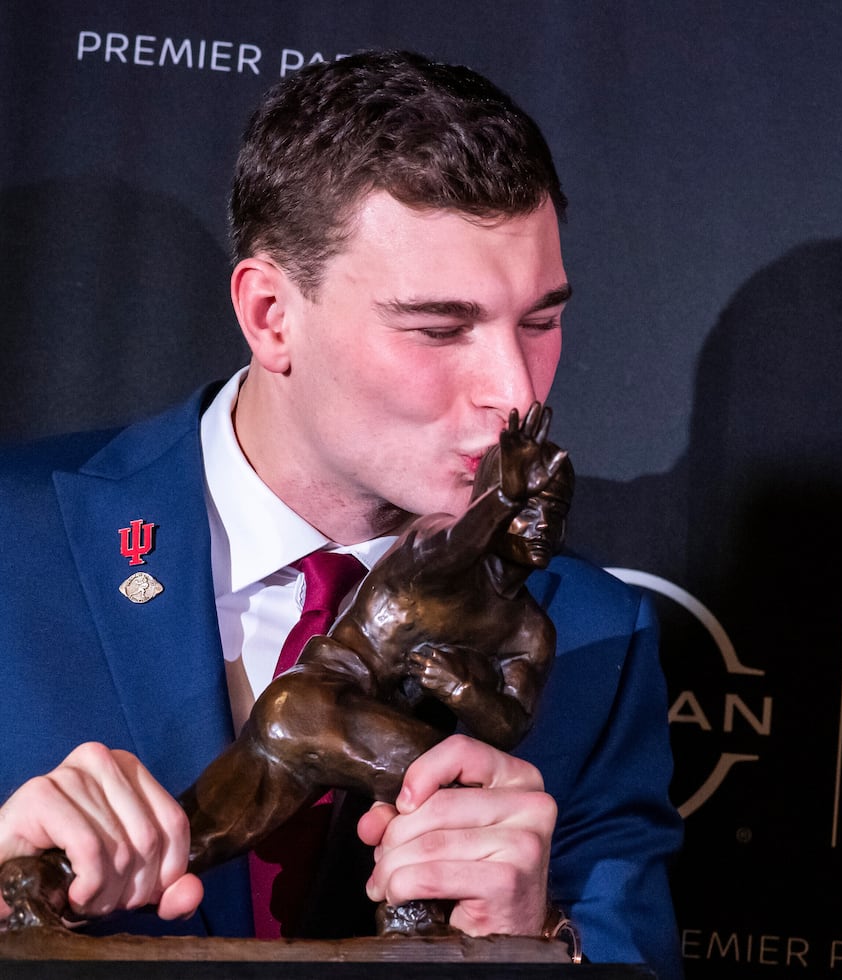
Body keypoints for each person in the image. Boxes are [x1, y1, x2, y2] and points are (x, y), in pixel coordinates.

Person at [0, 50, 681, 974]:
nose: (514, 391)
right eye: (440, 329)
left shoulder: (597, 632)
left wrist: (535, 940)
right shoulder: (17, 542)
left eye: (540, 320)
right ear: (273, 314)